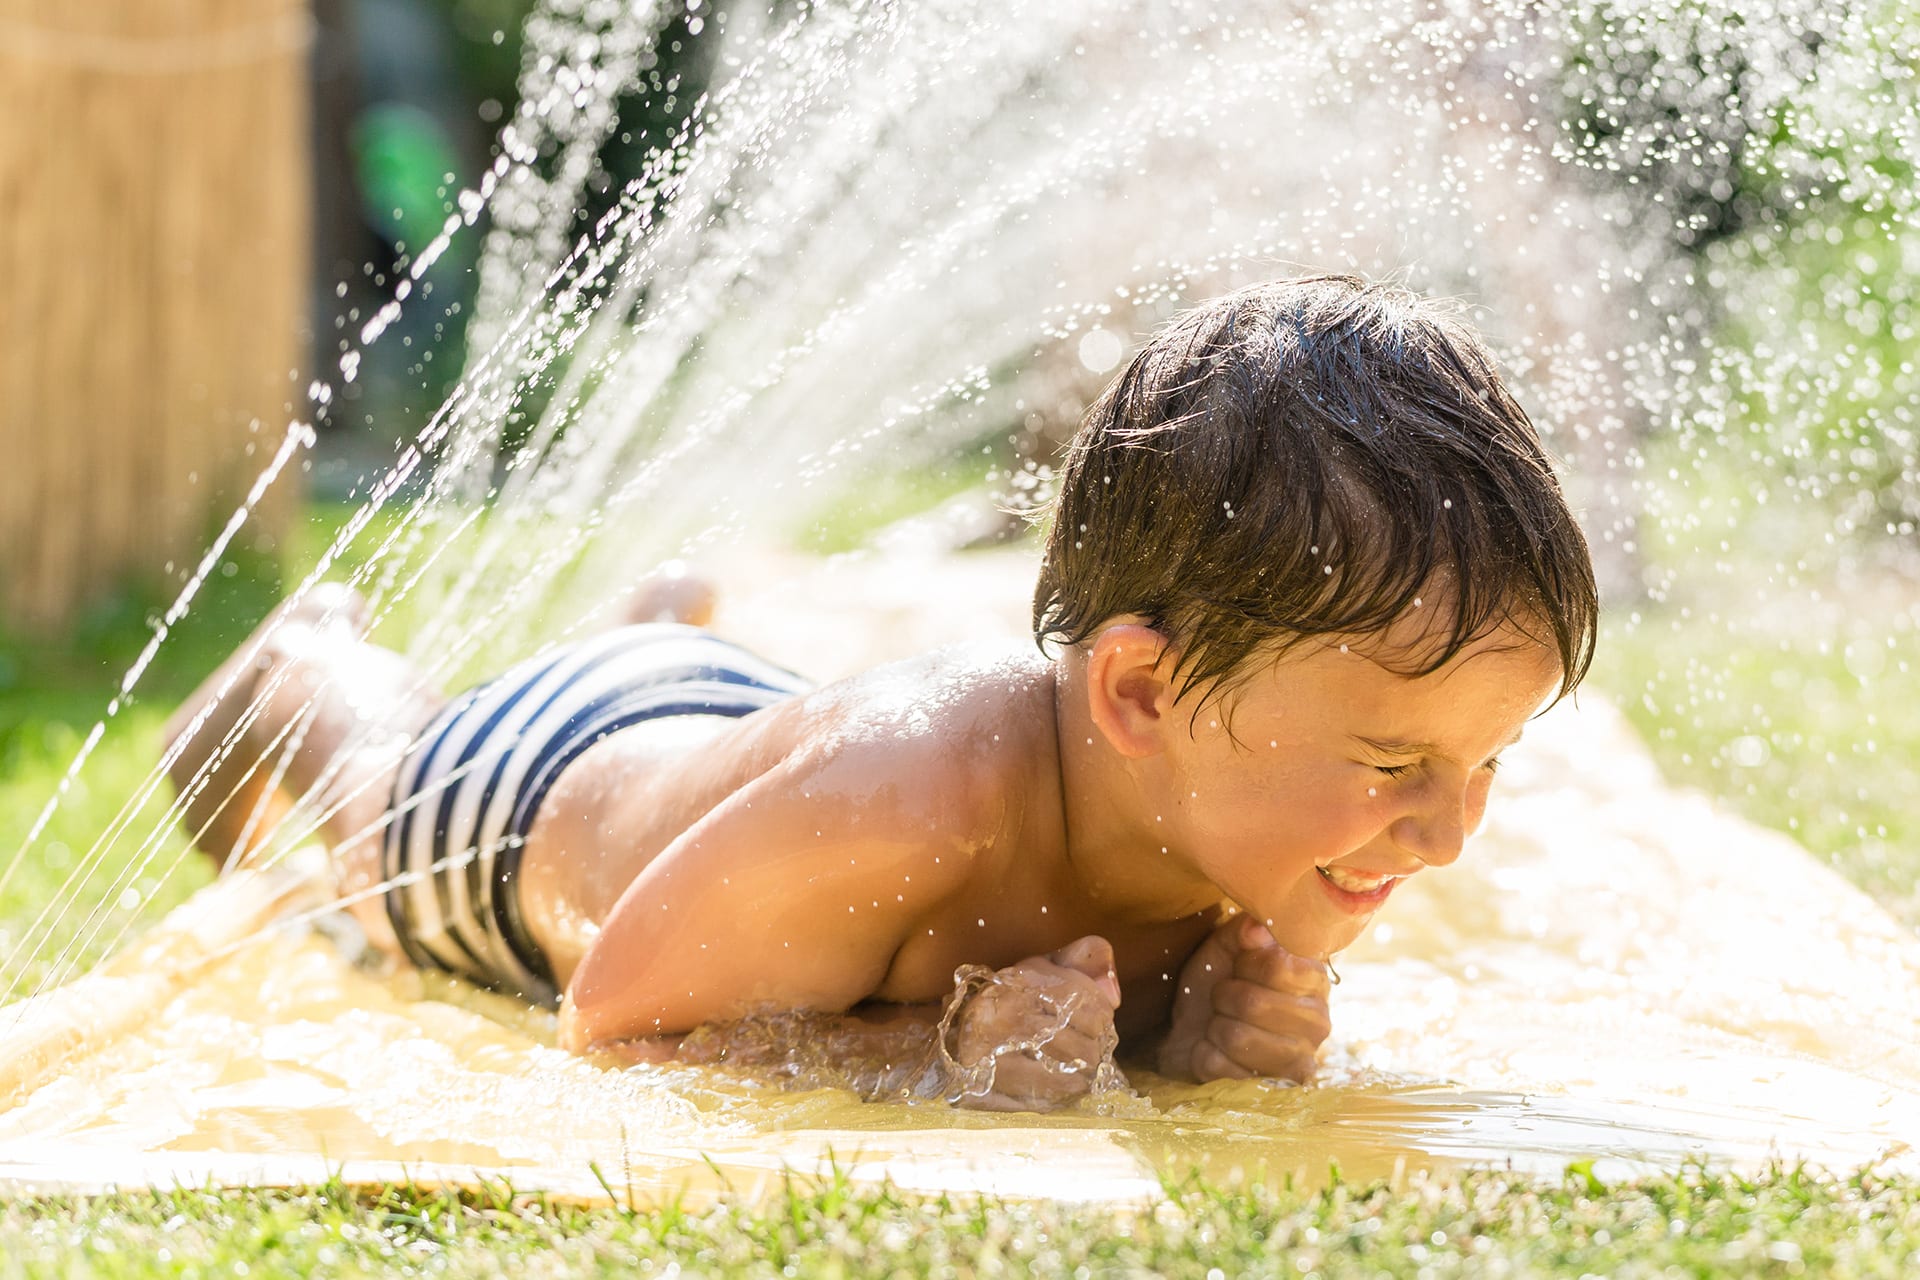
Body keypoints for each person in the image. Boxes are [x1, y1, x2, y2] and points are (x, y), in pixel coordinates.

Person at [166, 275, 1598, 1111]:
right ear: (1144, 697)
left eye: (1488, 762)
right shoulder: (903, 803)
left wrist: (1193, 1042)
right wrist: (932, 1054)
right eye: (1394, 761)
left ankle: (655, 623)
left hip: (740, 723)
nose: (1446, 829)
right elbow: (612, 1027)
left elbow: (1099, 1022)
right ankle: (318, 673)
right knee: (379, 807)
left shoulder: (1240, 812)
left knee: (720, 734)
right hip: (531, 796)